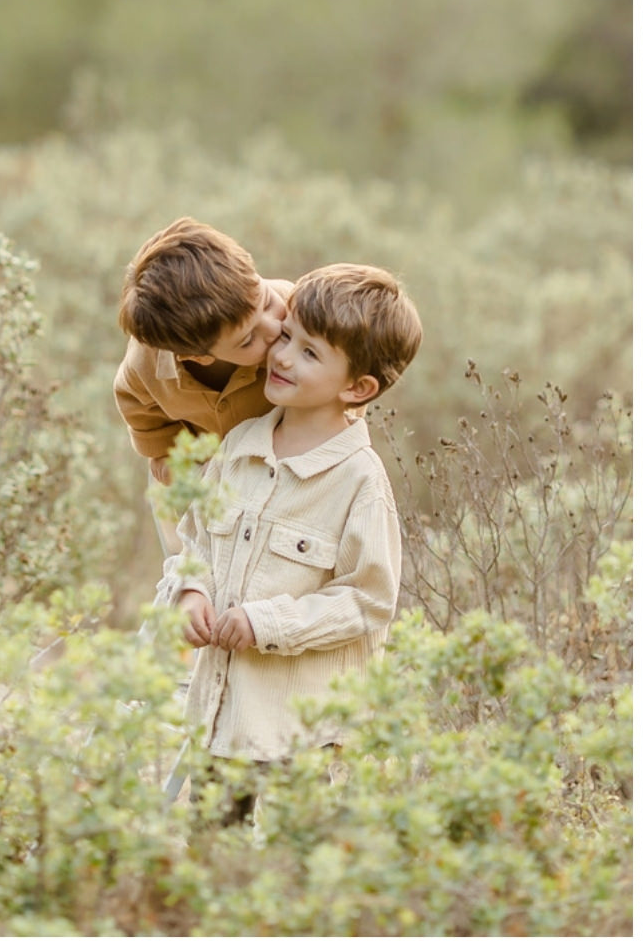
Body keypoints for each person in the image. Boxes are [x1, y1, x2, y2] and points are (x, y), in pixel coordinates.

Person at [160, 263, 419, 824]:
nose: (279, 357)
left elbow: (369, 599)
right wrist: (191, 593)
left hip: (296, 721)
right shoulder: (239, 447)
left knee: (291, 859)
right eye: (286, 336)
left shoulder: (359, 481)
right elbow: (195, 539)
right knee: (212, 845)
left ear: (358, 387)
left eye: (310, 353)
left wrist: (267, 623)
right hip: (222, 710)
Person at [112, 217, 292, 551]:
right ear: (198, 357)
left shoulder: (301, 315)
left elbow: (340, 379)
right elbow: (134, 401)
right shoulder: (146, 364)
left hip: (283, 466)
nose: (273, 328)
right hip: (202, 470)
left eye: (266, 302)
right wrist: (164, 451)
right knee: (190, 555)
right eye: (247, 339)